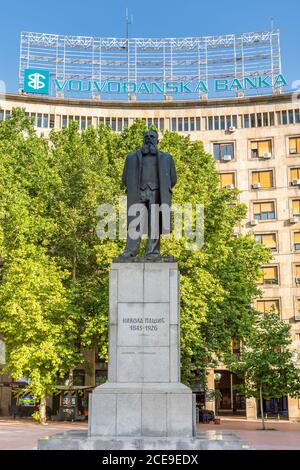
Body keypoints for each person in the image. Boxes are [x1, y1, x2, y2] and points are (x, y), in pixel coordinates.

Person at [121, 129, 177, 259]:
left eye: (152, 136)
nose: (149, 138)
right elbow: (125, 178)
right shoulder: (131, 157)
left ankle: (152, 252)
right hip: (138, 193)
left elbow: (173, 179)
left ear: (157, 140)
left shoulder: (167, 158)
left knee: (155, 223)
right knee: (135, 222)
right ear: (143, 139)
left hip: (157, 193)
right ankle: (130, 251)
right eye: (146, 136)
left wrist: (161, 189)